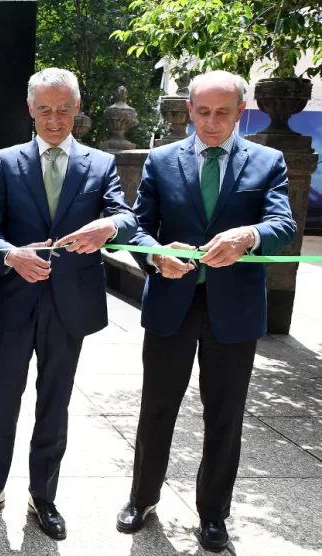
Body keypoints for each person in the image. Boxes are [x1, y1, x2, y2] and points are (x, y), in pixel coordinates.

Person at [115, 70, 295, 552]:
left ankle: (213, 513)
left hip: (233, 309)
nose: (211, 123)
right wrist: (154, 253)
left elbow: (283, 224)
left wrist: (248, 235)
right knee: (157, 408)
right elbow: (137, 225)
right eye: (202, 112)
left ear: (240, 111)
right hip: (173, 302)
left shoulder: (268, 161)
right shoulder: (160, 160)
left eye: (222, 112)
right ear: (189, 110)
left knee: (225, 414)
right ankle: (142, 498)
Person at [0, 68, 137, 540]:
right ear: (30, 110)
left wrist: (110, 227)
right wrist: (10, 254)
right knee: (1, 402)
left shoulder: (100, 165)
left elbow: (126, 215)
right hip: (15, 298)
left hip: (69, 305)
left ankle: (44, 497)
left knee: (54, 404)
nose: (54, 118)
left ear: (77, 108)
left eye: (63, 108)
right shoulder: (5, 161)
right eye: (45, 109)